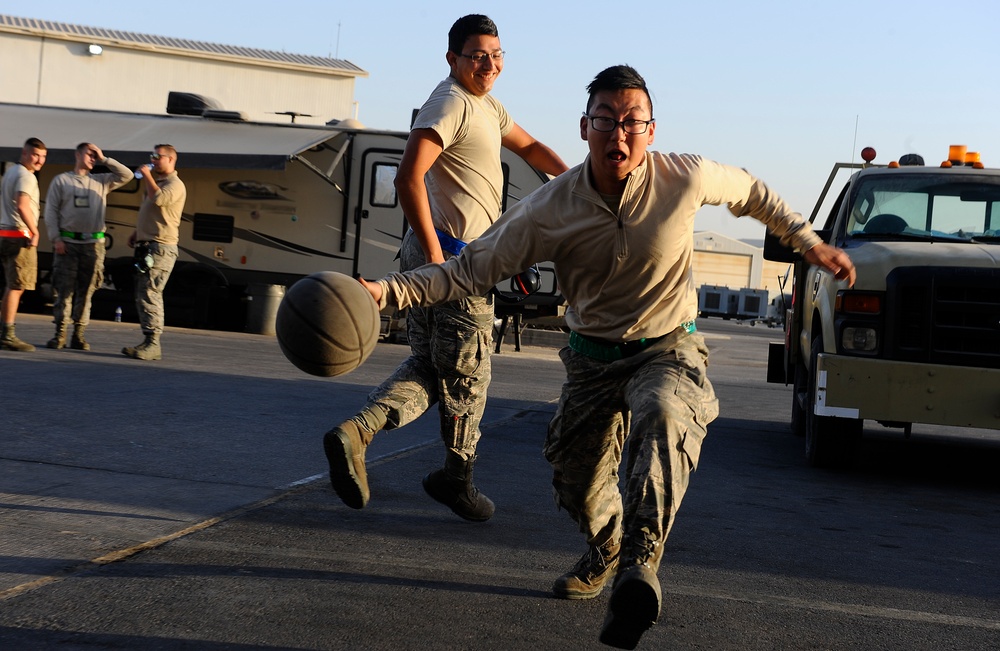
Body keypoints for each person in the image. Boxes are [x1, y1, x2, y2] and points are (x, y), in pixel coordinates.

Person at [359, 65, 856, 649]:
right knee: (575, 482)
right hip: (590, 361)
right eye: (605, 122)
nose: (618, 135)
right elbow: (469, 270)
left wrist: (810, 241)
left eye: (631, 123)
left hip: (667, 348)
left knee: (666, 415)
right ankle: (606, 548)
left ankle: (640, 566)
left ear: (650, 130)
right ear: (583, 128)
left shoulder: (684, 178)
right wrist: (385, 293)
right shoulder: (549, 207)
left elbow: (752, 193)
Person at [323, 14, 568, 521]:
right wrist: (438, 257)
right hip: (453, 258)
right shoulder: (450, 102)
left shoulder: (486, 106)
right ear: (453, 58)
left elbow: (530, 146)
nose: (490, 64)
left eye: (497, 55)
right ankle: (458, 479)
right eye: (478, 55)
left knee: (432, 367)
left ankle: (357, 431)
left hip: (451, 257)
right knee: (469, 373)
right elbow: (409, 177)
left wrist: (577, 179)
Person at [43, 143, 132, 350]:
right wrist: (56, 238)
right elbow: (51, 212)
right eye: (89, 154)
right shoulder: (62, 181)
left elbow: (126, 175)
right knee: (64, 290)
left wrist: (105, 159)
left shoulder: (101, 181)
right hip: (68, 244)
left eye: (95, 155)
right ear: (77, 154)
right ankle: (60, 333)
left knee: (86, 291)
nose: (92, 158)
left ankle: (79, 334)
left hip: (93, 245)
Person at [121, 144, 186, 361]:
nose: (154, 160)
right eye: (152, 156)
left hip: (160, 247)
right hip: (148, 244)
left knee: (151, 292)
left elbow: (159, 200)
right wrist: (137, 232)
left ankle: (153, 343)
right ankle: (147, 339)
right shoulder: (157, 183)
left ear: (171, 160)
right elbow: (153, 213)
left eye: (158, 157)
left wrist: (147, 175)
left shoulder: (175, 185)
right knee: (143, 294)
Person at [1, 137, 47, 352]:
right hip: (19, 235)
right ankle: (7, 334)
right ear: (25, 153)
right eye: (36, 155)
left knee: (10, 285)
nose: (39, 161)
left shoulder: (10, 172)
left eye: (43, 157)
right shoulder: (26, 176)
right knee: (16, 286)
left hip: (5, 233)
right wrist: (35, 231)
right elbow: (22, 205)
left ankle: (5, 330)